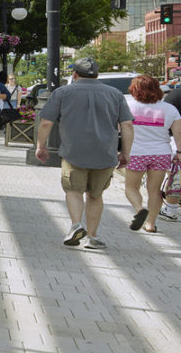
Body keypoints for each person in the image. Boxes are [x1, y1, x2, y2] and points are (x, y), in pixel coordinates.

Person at [37, 57, 133, 251]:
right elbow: (127, 125)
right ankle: (92, 236)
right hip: (105, 153)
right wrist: (125, 153)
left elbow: (46, 122)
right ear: (97, 75)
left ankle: (75, 225)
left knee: (73, 190)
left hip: (74, 152)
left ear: (75, 74)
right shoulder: (115, 94)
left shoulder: (62, 92)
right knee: (95, 195)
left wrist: (41, 145)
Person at [122, 74, 181, 234]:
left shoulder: (127, 105)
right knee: (154, 190)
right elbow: (178, 132)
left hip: (136, 152)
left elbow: (121, 128)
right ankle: (150, 224)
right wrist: (179, 152)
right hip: (161, 153)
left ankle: (139, 209)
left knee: (131, 187)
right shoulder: (170, 109)